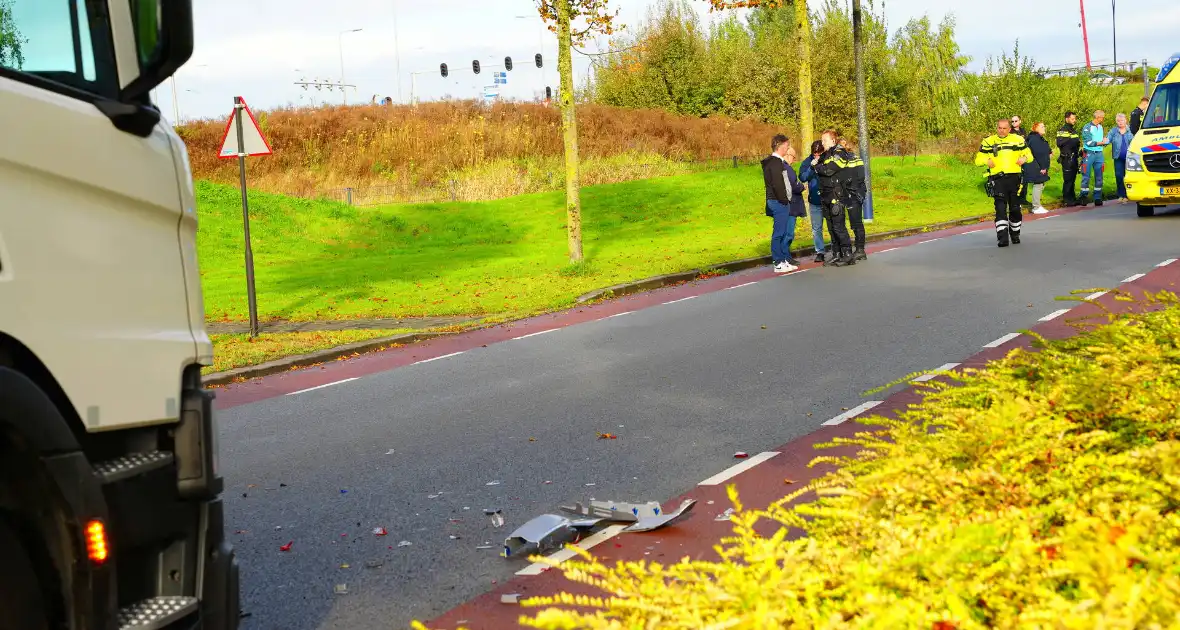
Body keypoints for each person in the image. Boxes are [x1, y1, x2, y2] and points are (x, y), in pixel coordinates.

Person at [975, 118, 1032, 247]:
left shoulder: (1018, 140)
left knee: (1015, 209)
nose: (1001, 130)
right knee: (1000, 209)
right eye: (999, 128)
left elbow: (1030, 155)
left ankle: (1015, 233)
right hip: (998, 180)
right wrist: (986, 161)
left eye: (1004, 128)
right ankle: (1002, 238)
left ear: (1009, 129)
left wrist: (1024, 158)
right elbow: (978, 159)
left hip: (1015, 179)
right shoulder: (989, 141)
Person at [814, 129, 857, 267]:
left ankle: (848, 254)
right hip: (826, 195)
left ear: (833, 140)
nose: (822, 143)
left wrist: (818, 166)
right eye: (821, 140)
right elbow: (817, 164)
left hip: (836, 195)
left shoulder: (839, 153)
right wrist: (818, 165)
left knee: (839, 227)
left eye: (825, 140)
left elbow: (828, 170)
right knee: (831, 227)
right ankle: (837, 253)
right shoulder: (826, 154)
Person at [761, 134, 801, 273]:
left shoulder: (773, 162)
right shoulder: (776, 163)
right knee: (779, 233)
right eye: (787, 145)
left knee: (782, 232)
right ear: (781, 146)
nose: (788, 148)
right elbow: (778, 185)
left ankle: (783, 260)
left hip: (777, 201)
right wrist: (784, 200)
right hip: (778, 202)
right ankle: (778, 262)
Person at [798, 140, 827, 263]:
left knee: (834, 225)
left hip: (828, 198)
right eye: (815, 154)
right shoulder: (807, 161)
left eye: (819, 154)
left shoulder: (828, 158)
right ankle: (820, 251)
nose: (817, 156)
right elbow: (803, 177)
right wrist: (811, 167)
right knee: (816, 228)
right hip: (815, 200)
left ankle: (838, 249)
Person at [1079, 110, 1110, 206]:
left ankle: (1097, 197)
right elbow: (1088, 142)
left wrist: (1104, 141)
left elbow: (1100, 140)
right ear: (1098, 117)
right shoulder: (1087, 127)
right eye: (1102, 117)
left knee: (1099, 176)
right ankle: (1083, 196)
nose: (1103, 119)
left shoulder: (1100, 127)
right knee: (1086, 176)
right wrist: (1102, 142)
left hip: (1099, 154)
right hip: (1089, 153)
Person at [1022, 122, 1053, 214]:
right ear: (1036, 128)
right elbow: (1039, 154)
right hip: (1036, 166)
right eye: (1042, 126)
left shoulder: (1039, 138)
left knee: (1040, 184)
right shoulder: (1035, 139)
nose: (1044, 128)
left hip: (1038, 165)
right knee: (1038, 184)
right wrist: (1043, 167)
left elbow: (1045, 150)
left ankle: (1037, 205)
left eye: (1044, 126)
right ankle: (1036, 207)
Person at [1107, 113, 1135, 201]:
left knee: (1129, 176)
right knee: (1119, 175)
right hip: (1118, 157)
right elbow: (1108, 139)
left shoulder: (1130, 130)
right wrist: (1103, 142)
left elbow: (1135, 141)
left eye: (1122, 120)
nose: (1120, 122)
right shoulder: (1113, 131)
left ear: (1125, 120)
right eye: (1118, 121)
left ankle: (1129, 194)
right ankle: (1121, 195)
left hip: (1130, 158)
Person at [1056, 112, 1081, 206]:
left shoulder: (1073, 130)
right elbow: (1060, 143)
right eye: (1072, 119)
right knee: (1068, 180)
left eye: (1075, 119)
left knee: (1073, 179)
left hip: (1074, 157)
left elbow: (1077, 143)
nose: (1074, 121)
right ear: (1067, 119)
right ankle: (1067, 199)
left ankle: (1072, 198)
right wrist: (1071, 141)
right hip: (1067, 158)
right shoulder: (1062, 130)